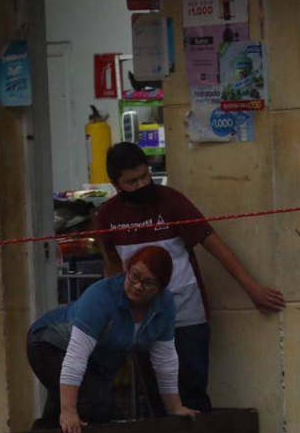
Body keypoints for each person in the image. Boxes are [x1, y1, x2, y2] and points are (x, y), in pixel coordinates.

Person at [93, 142, 286, 414]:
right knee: (158, 399)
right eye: (132, 182)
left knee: (193, 389)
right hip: (142, 318)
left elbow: (212, 242)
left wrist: (252, 288)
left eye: (145, 176)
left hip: (187, 312)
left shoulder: (171, 200)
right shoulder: (107, 215)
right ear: (116, 184)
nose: (141, 185)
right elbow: (112, 264)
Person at [29, 246, 198, 433]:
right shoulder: (101, 295)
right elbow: (76, 356)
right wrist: (69, 410)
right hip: (49, 342)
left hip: (94, 357)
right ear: (127, 270)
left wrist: (175, 407)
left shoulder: (164, 305)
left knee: (92, 404)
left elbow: (165, 359)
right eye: (134, 276)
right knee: (94, 403)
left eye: (148, 282)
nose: (138, 286)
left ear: (161, 287)